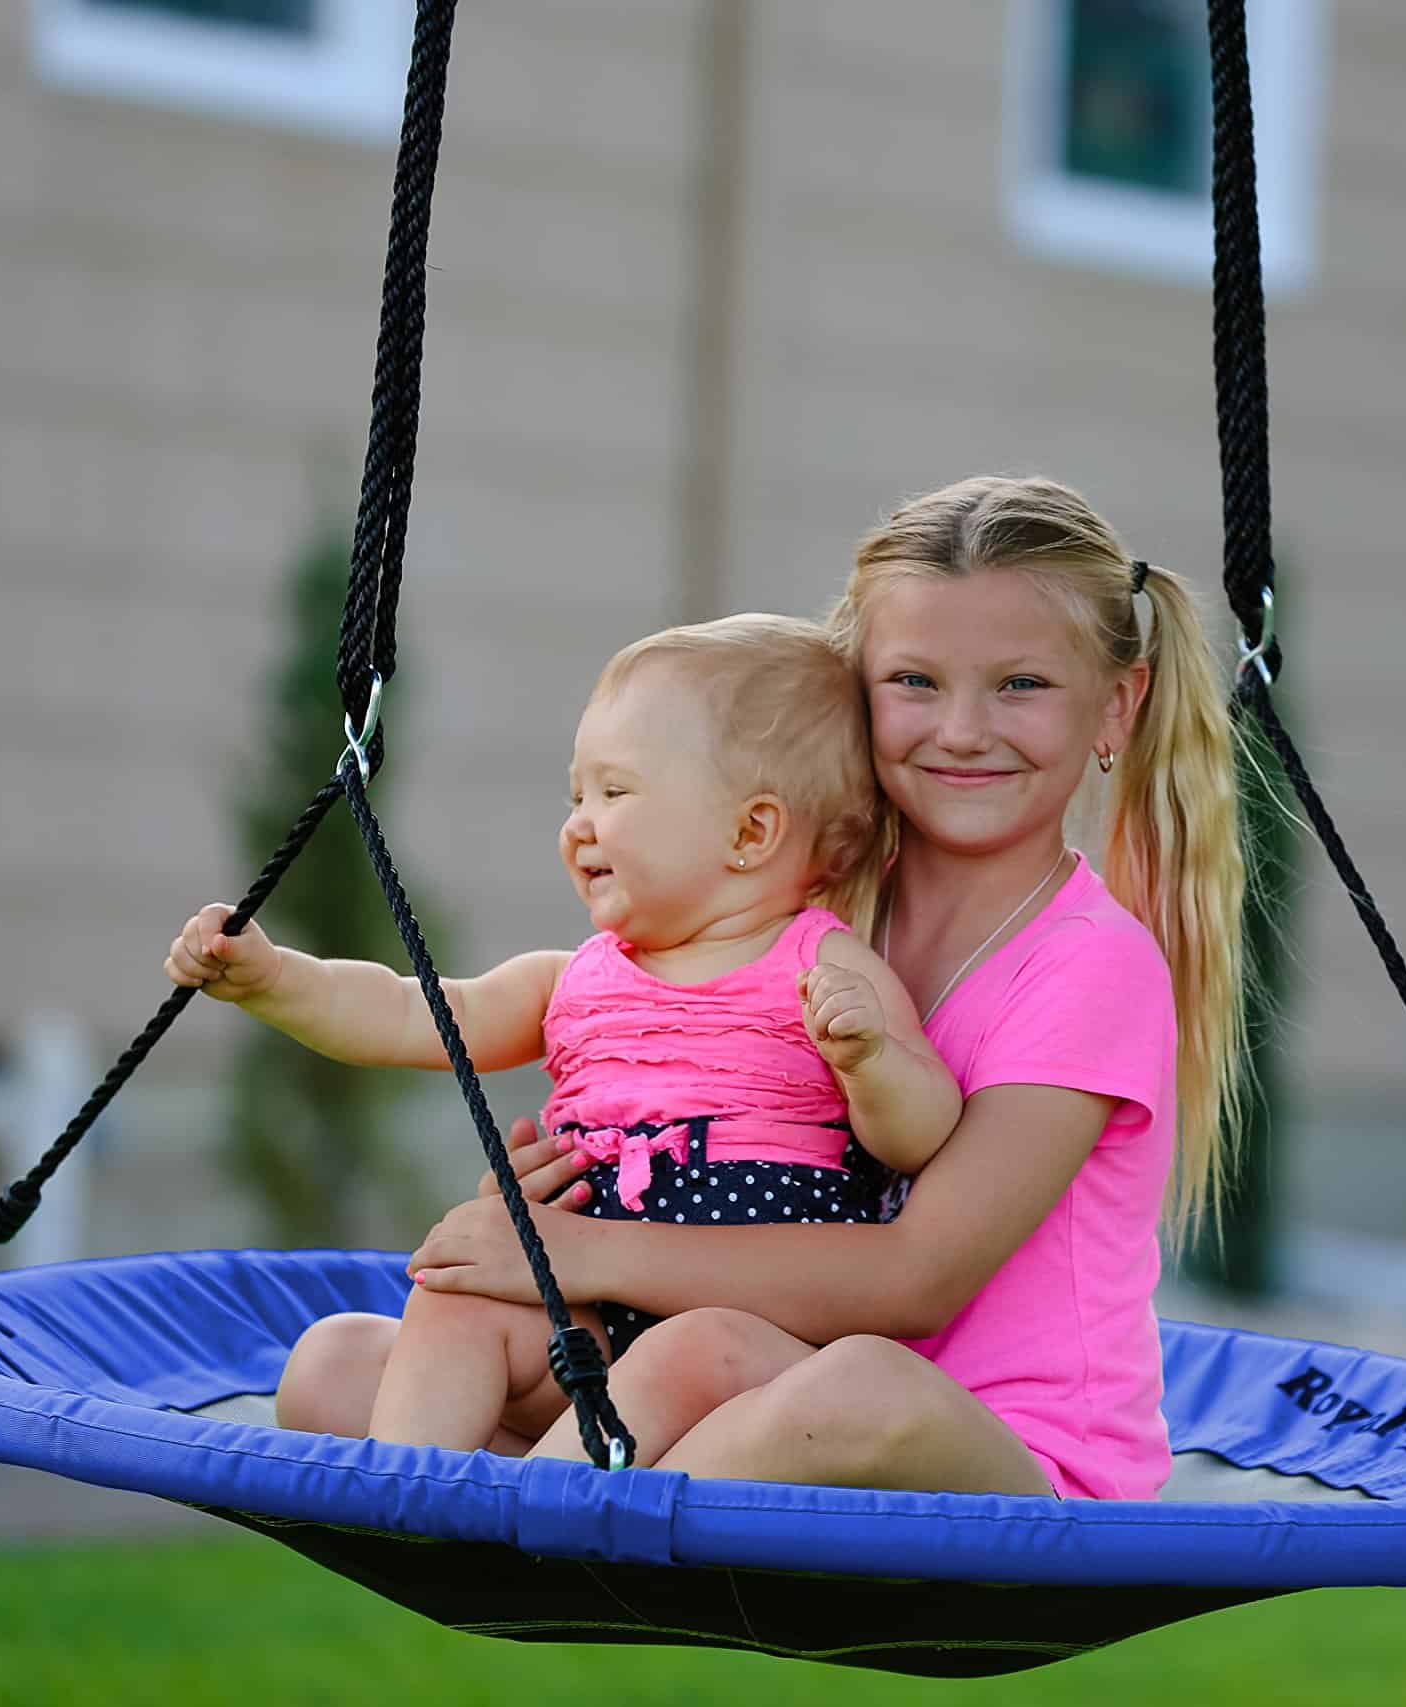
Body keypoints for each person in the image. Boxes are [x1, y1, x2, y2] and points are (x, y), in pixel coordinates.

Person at [397, 475, 1247, 1499]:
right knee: (348, 1364)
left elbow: (915, 1280)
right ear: (855, 701)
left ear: (1117, 705)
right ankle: (534, 1499)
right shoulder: (803, 923)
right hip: (749, 1382)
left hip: (994, 1452)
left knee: (854, 1388)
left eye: (1021, 684)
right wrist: (586, 1185)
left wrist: (590, 1248)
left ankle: (553, 1524)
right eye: (915, 683)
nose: (963, 729)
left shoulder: (1089, 964)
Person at [166, 614, 961, 1453]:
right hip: (582, 1329)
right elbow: (418, 1011)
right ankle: (418, 1495)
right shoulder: (573, 978)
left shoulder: (822, 969)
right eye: (575, 793)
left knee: (688, 1354)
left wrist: (870, 1061)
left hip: (740, 1352)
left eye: (615, 793)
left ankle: (536, 1516)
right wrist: (279, 979)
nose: (579, 823)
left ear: (750, 832)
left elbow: (923, 1131)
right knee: (353, 1350)